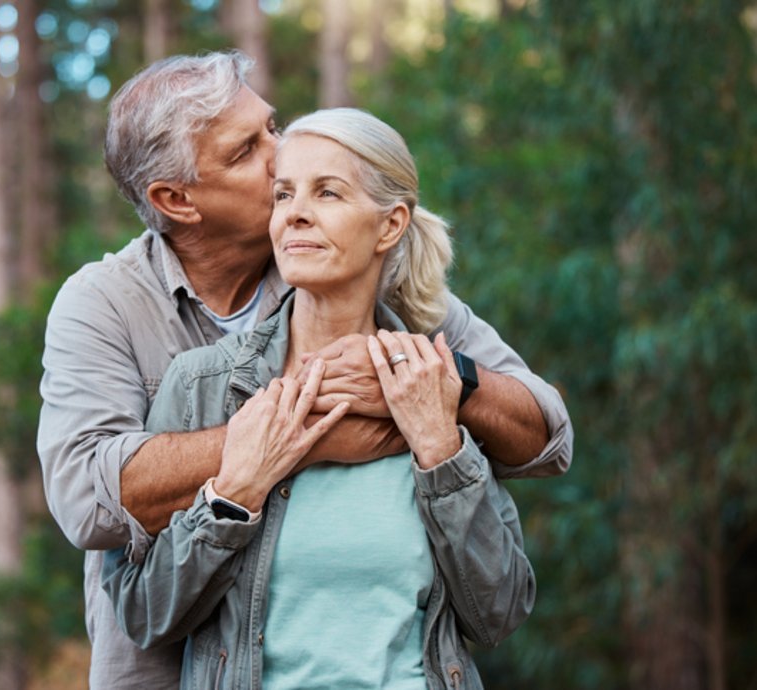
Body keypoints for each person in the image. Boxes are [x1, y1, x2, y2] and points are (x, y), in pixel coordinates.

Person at [38, 51, 572, 689]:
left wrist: (446, 385)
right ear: (176, 199)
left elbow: (547, 440)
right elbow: (85, 498)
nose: (280, 152)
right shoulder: (104, 304)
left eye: (273, 126)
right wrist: (301, 440)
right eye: (246, 152)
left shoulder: (368, 279)